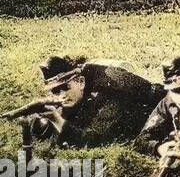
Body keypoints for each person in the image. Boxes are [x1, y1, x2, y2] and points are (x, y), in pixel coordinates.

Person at [5, 56, 157, 148]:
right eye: (55, 91)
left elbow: (93, 141)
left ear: (81, 81)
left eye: (65, 88)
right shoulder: (80, 94)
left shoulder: (109, 92)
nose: (60, 95)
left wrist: (57, 120)